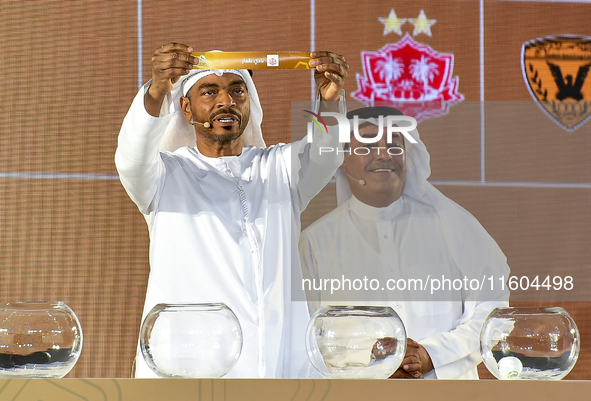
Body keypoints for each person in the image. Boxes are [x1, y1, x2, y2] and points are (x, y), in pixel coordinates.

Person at [115, 42, 348, 378]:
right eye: (209, 92)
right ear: (186, 108)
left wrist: (330, 101)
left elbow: (326, 153)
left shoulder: (279, 169)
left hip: (279, 370)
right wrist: (155, 91)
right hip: (189, 374)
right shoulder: (166, 176)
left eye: (237, 90)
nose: (226, 101)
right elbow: (131, 157)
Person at [299, 106, 510, 379]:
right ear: (342, 158)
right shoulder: (316, 243)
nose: (383, 154)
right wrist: (376, 364)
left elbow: (491, 309)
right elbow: (307, 337)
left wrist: (432, 355)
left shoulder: (452, 226)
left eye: (394, 145)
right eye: (367, 145)